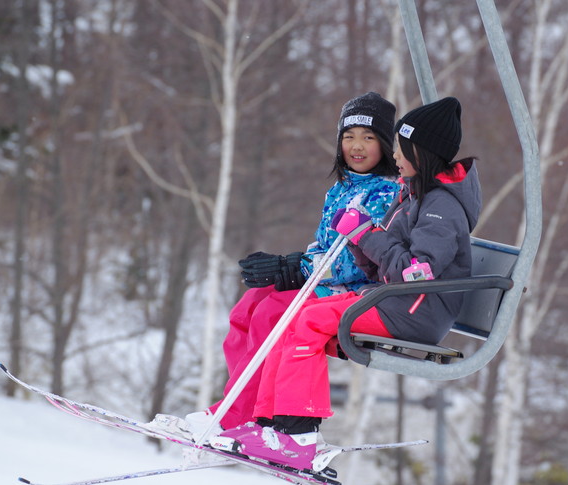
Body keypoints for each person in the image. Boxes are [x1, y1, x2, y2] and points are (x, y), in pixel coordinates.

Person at [210, 97, 482, 470]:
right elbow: (388, 263)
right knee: (295, 316)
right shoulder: (414, 196)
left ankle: (296, 435)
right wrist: (359, 244)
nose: (396, 157)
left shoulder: (440, 207)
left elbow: (415, 273)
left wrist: (366, 234)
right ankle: (270, 425)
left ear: (422, 153)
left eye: (401, 149)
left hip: (414, 310)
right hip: (393, 300)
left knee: (304, 320)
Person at [147, 92, 400, 438]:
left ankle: (244, 415)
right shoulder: (341, 189)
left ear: (385, 145)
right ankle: (240, 405)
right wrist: (290, 266)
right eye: (348, 136)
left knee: (272, 312)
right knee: (250, 306)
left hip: (354, 292)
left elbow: (360, 262)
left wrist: (299, 269)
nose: (356, 146)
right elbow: (324, 246)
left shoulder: (386, 194)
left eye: (368, 138)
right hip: (326, 281)